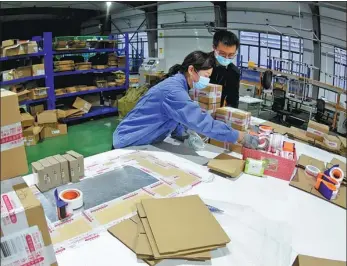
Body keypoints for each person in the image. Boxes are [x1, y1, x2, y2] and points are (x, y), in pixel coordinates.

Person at [113, 50, 258, 149]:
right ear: (191, 70)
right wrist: (238, 136)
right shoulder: (174, 91)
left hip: (140, 140)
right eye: (206, 76)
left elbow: (172, 115)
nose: (207, 81)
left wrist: (183, 134)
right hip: (129, 142)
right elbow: (200, 122)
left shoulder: (178, 85)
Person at [210, 30, 241, 108]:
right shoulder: (201, 62)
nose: (226, 58)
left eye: (231, 55)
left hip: (216, 111)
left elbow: (233, 100)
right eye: (222, 54)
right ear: (214, 47)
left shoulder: (234, 72)